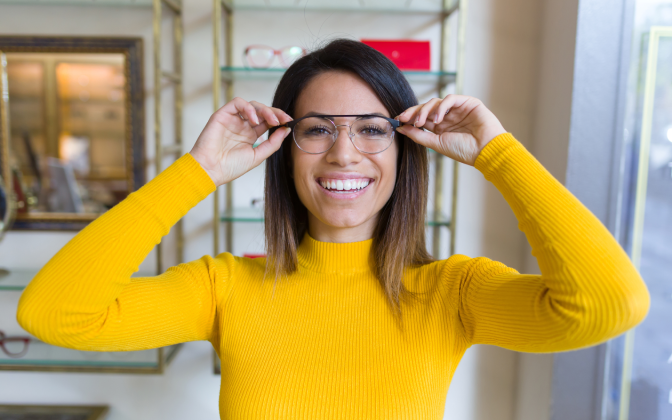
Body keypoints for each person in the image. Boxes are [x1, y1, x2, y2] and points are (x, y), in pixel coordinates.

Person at [16, 39, 650, 418]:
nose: (345, 154)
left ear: (404, 152)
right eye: (318, 129)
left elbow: (609, 304)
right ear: (284, 149)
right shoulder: (224, 287)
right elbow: (55, 313)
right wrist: (198, 170)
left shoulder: (453, 292)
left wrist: (498, 152)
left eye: (373, 129)